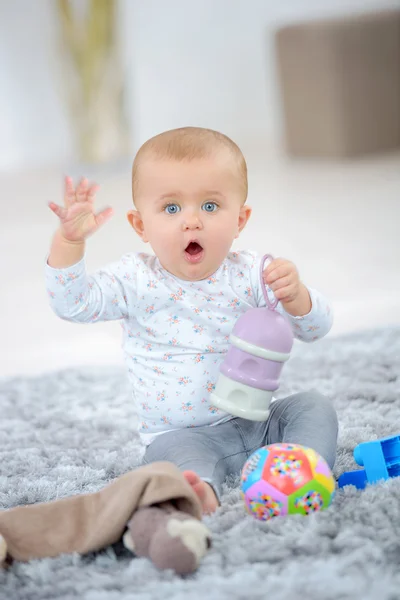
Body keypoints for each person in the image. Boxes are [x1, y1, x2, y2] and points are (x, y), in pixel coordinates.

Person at [45, 126, 338, 514]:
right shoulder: (135, 280)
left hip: (260, 423)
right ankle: (198, 493)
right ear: (140, 226)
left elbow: (315, 329)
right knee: (172, 460)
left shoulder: (254, 273)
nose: (192, 221)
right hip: (182, 435)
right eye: (171, 208)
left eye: (211, 206)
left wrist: (297, 296)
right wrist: (69, 242)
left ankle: (300, 471)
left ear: (240, 219)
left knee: (313, 407)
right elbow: (73, 304)